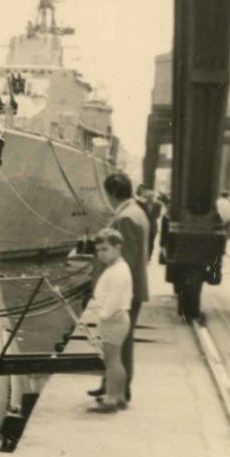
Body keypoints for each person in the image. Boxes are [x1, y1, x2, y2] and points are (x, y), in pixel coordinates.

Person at [88, 173, 148, 404]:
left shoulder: (125, 217)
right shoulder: (138, 212)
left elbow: (127, 259)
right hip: (131, 290)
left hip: (123, 294)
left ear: (111, 194)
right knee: (121, 345)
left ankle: (119, 391)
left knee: (118, 347)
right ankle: (112, 387)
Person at [82, 228, 134, 412]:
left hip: (113, 318)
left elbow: (114, 298)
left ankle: (111, 400)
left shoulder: (118, 271)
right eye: (99, 250)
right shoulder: (118, 267)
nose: (101, 254)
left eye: (105, 249)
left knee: (111, 361)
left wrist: (102, 316)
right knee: (115, 359)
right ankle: (119, 397)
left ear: (117, 247)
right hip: (117, 318)